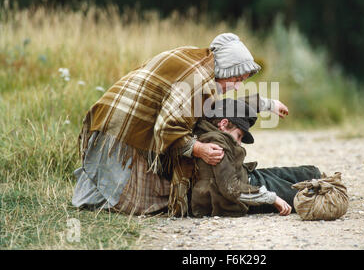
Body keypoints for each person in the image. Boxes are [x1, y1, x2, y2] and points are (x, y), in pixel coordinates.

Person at [72, 33, 289, 217]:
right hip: (120, 131)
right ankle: (97, 198)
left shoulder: (203, 62)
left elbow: (217, 108)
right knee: (143, 198)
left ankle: (93, 193)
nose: (237, 86)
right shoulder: (198, 80)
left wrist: (267, 104)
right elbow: (167, 129)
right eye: (238, 79)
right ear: (228, 70)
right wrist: (198, 149)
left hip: (116, 120)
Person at [190, 98, 321, 217]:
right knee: (311, 195)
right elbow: (231, 188)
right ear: (223, 124)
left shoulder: (210, 126)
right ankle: (327, 189)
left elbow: (237, 103)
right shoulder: (216, 145)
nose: (239, 143)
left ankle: (319, 178)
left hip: (248, 176)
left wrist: (269, 105)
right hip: (248, 190)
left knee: (309, 172)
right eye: (239, 136)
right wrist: (271, 198)